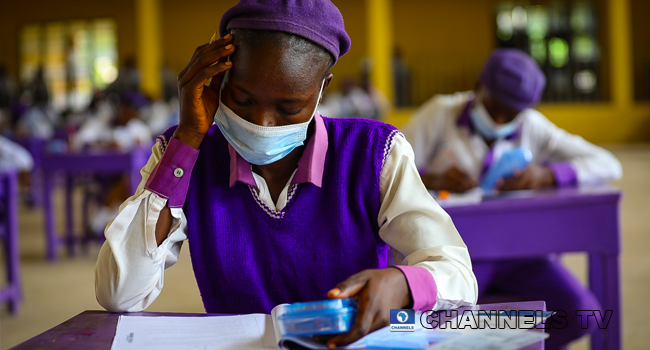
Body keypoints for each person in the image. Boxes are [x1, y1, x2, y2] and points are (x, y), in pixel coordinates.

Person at [95, 1, 477, 348]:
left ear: (322, 89)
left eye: (290, 106)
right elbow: (119, 293)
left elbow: (456, 273)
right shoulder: (184, 156)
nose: (261, 123)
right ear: (216, 79)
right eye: (241, 100)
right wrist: (188, 139)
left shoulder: (374, 154)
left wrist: (403, 283)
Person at [402, 48, 621, 349]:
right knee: (424, 328)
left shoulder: (532, 125)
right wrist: (430, 177)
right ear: (479, 88)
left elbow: (607, 162)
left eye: (512, 113)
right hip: (455, 256)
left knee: (582, 314)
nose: (502, 118)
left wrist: (547, 174)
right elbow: (389, 165)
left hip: (520, 253)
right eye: (494, 108)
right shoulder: (440, 113)